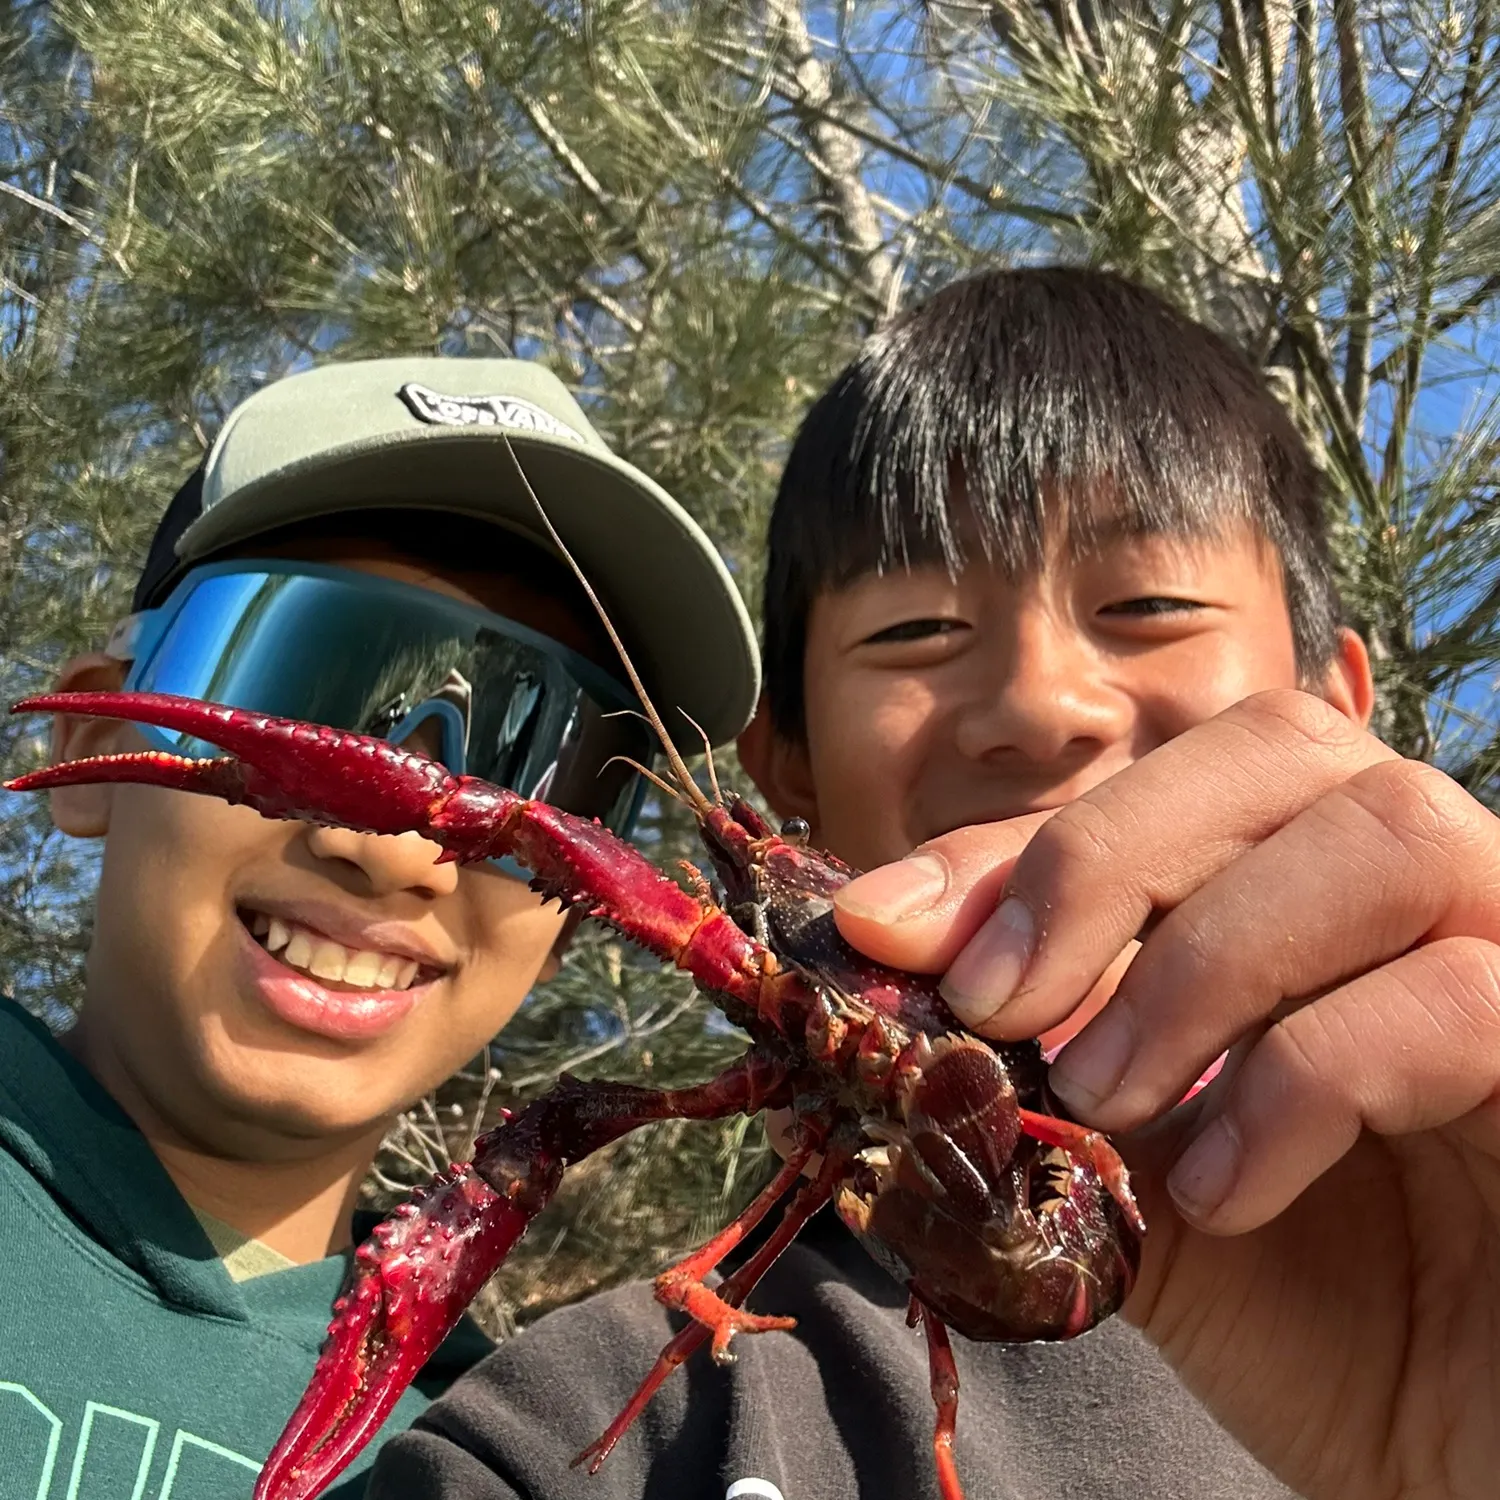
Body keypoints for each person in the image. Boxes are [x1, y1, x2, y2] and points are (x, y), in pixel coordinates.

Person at [368, 269, 1500, 1500]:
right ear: (784, 762)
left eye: (1150, 606)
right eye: (915, 633)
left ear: (1332, 702)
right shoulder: (567, 1447)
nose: (1036, 709)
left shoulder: (1466, 1247)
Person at [0, 357, 758, 1500]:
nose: (400, 845)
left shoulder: (513, 1456)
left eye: (538, 764)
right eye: (312, 690)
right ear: (96, 743)